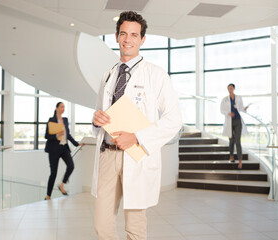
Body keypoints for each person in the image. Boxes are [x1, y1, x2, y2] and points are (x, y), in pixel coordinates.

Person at [91, 11, 182, 240]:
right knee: (102, 225)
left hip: (136, 154)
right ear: (116, 36)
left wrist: (138, 137)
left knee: (135, 227)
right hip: (108, 154)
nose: (127, 39)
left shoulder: (156, 75)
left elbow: (174, 119)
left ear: (142, 40)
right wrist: (96, 120)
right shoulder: (108, 75)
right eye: (123, 34)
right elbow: (101, 114)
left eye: (134, 35)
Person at [44, 102, 84, 200]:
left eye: (64, 107)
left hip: (64, 147)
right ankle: (48, 195)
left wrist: (77, 144)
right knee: (53, 172)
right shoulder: (51, 120)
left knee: (71, 166)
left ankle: (62, 184)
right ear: (56, 108)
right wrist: (57, 135)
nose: (63, 108)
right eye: (61, 107)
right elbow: (47, 136)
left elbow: (68, 135)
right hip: (54, 149)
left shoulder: (65, 120)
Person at [220, 83, 249, 169]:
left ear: (234, 89)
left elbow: (241, 108)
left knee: (238, 141)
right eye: (229, 88)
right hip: (229, 121)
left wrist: (244, 109)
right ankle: (231, 156)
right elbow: (222, 110)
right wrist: (228, 113)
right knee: (231, 140)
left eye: (231, 88)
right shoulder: (224, 99)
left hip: (238, 121)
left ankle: (240, 161)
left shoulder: (239, 98)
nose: (230, 90)